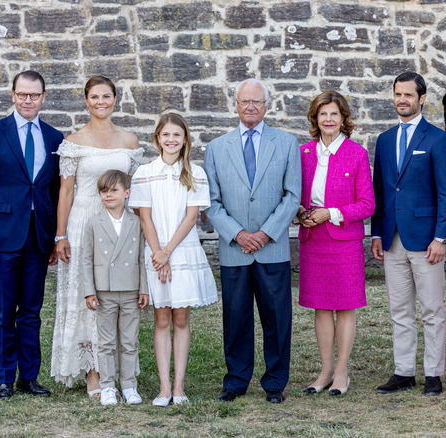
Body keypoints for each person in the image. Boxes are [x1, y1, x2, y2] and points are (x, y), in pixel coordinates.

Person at [204, 79, 301, 404]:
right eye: (245, 101)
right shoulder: (218, 147)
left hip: (271, 247)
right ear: (236, 104)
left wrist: (264, 233)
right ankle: (235, 380)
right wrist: (239, 234)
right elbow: (212, 202)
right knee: (236, 318)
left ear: (266, 105)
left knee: (276, 319)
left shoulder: (286, 143)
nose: (250, 107)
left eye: (257, 102)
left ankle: (275, 382)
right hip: (235, 250)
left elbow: (292, 196)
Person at [0, 70, 63, 399]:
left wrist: (55, 237)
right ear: (13, 94)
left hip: (38, 238)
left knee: (33, 310)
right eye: (22, 94)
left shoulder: (54, 138)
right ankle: (5, 378)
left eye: (34, 95)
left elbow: (54, 192)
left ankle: (30, 376)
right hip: (3, 238)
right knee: (4, 309)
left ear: (42, 97)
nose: (28, 100)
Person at [51, 76, 143, 395]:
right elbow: (65, 192)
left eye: (107, 96)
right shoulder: (74, 141)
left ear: (116, 99)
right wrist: (60, 235)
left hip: (118, 223)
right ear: (86, 101)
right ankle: (94, 373)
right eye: (94, 96)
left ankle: (117, 369)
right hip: (83, 220)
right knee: (87, 296)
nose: (101, 101)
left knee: (115, 293)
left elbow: (133, 191)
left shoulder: (129, 141)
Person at [370, 72, 446, 397]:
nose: (402, 100)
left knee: (432, 310)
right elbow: (381, 191)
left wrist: (441, 237)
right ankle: (403, 372)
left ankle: (434, 374)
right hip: (391, 238)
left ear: (422, 99)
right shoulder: (385, 140)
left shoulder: (437, 139)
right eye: (397, 94)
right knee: (400, 310)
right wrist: (376, 233)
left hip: (426, 239)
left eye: (408, 95)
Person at [129, 113, 218, 406]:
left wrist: (168, 252)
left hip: (182, 251)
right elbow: (145, 217)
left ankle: (179, 386)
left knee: (181, 316)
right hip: (155, 253)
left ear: (185, 140)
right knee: (161, 317)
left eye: (177, 135)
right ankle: (164, 387)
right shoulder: (144, 172)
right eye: (166, 135)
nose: (171, 140)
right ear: (157, 139)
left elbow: (192, 218)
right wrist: (158, 253)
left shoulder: (196, 173)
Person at [296, 91, 375, 397]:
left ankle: (342, 372)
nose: (328, 120)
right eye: (322, 114)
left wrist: (331, 213)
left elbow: (367, 204)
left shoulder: (356, 154)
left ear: (343, 118)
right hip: (313, 240)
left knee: (345, 307)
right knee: (320, 307)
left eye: (333, 114)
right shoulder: (302, 153)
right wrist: (301, 212)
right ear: (315, 119)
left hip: (343, 242)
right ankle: (325, 370)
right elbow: (295, 196)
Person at [81, 170, 149, 406]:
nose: (109, 195)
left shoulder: (137, 222)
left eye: (114, 190)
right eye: (104, 191)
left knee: (130, 341)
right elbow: (86, 259)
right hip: (104, 292)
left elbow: (142, 257)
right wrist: (89, 291)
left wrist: (144, 288)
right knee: (107, 341)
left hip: (131, 290)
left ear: (127, 193)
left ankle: (129, 385)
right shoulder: (93, 222)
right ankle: (108, 386)